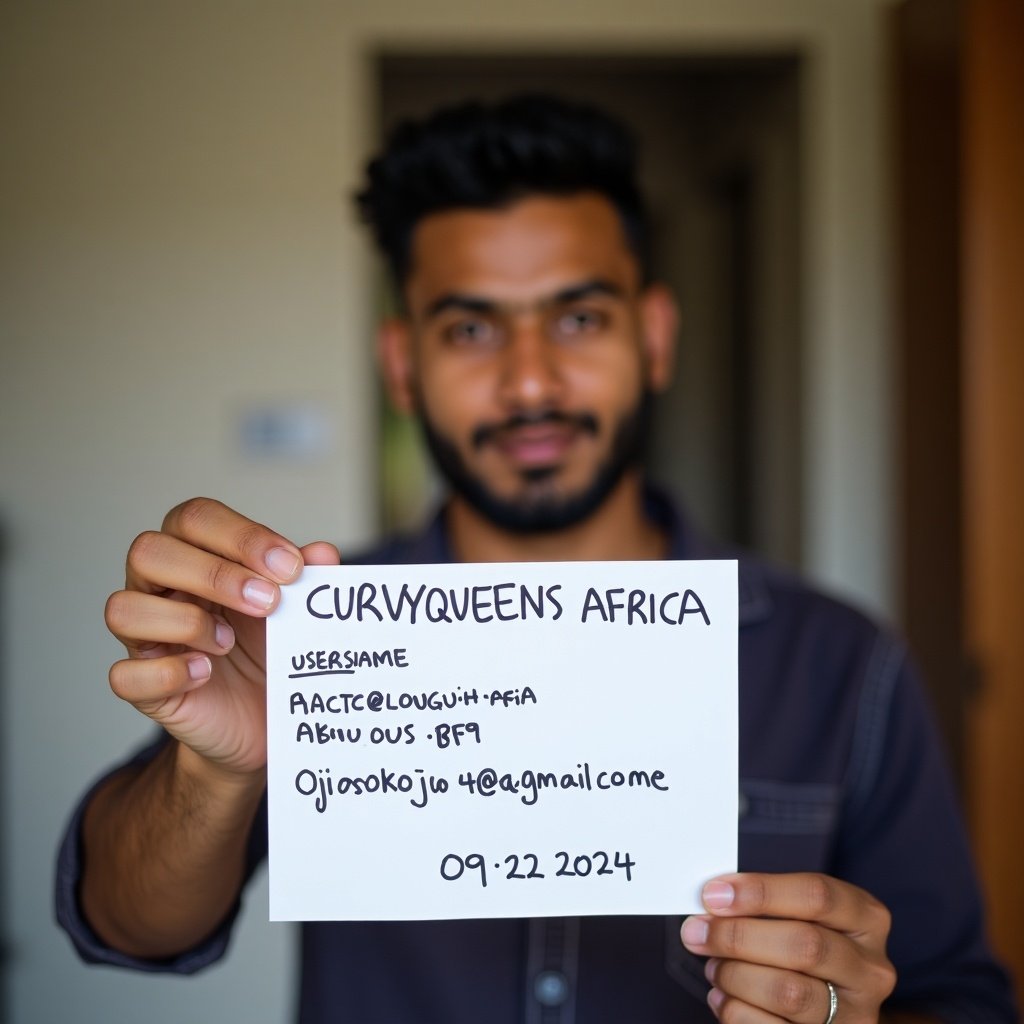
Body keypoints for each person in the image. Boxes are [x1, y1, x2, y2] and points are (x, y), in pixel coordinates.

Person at [56, 95, 1016, 1024]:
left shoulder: (841, 661)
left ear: (655, 336)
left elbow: (964, 1000)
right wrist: (215, 775)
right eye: (471, 328)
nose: (528, 381)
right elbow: (125, 925)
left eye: (578, 318)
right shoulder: (304, 640)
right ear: (402, 365)